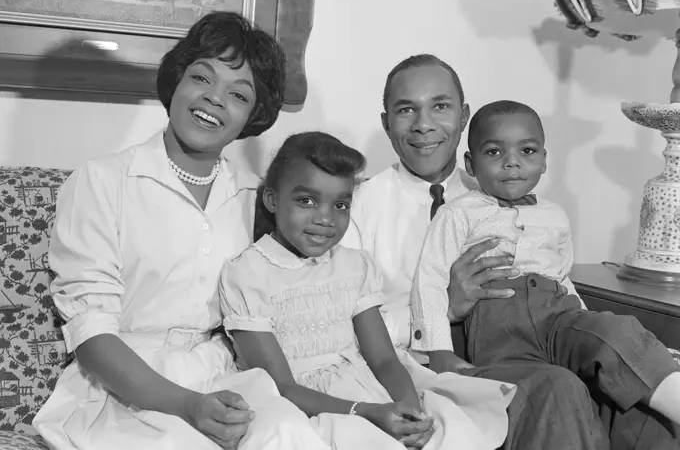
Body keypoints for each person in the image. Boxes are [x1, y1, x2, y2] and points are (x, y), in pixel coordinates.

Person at [343, 54, 679, 449]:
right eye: (406, 110)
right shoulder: (358, 206)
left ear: (464, 115)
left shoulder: (504, 187)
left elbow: (555, 270)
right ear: (386, 122)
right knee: (556, 388)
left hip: (541, 335)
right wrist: (446, 310)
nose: (423, 125)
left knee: (641, 409)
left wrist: (584, 337)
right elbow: (342, 321)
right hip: (430, 364)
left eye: (440, 106)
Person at [33, 12, 330, 450]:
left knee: (291, 435)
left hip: (223, 376)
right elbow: (92, 335)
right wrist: (188, 405)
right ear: (176, 80)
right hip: (122, 386)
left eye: (238, 94)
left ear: (252, 115)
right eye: (200, 77)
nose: (213, 99)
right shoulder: (102, 181)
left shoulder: (256, 198)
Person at [219, 131, 515, 450]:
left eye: (341, 205)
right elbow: (282, 386)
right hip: (309, 407)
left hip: (370, 390)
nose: (325, 218)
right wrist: (369, 413)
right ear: (272, 199)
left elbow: (384, 358)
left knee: (447, 429)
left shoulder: (354, 266)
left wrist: (408, 409)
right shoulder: (248, 274)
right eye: (306, 200)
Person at [411, 99, 680, 433]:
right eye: (494, 152)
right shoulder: (459, 213)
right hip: (503, 332)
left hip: (560, 317)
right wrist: (437, 351)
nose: (512, 163)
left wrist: (589, 329)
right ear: (470, 163)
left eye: (527, 151)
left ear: (544, 160)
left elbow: (563, 277)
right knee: (556, 386)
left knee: (617, 332)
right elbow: (430, 280)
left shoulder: (555, 215)